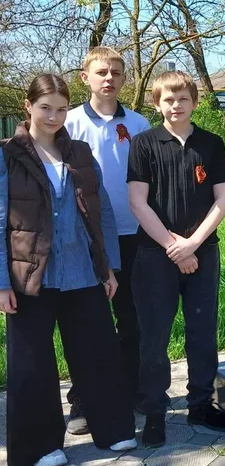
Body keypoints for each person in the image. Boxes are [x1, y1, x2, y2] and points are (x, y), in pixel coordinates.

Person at [0, 74, 137, 466]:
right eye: (45, 108)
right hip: (31, 276)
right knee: (32, 365)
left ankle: (112, 429)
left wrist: (109, 268)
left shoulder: (79, 152)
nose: (54, 117)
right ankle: (40, 446)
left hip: (83, 273)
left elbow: (103, 212)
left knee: (98, 353)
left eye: (61, 109)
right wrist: (2, 283)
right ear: (28, 107)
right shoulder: (7, 155)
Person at [127, 70, 225, 447]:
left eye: (183, 99)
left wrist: (193, 244)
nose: (176, 105)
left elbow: (223, 199)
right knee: (154, 335)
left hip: (203, 252)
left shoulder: (212, 144)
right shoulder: (143, 144)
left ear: (195, 102)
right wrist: (174, 247)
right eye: (168, 100)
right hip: (155, 255)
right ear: (157, 104)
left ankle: (201, 403)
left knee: (202, 331)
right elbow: (137, 202)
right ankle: (155, 410)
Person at [65, 46, 151, 433]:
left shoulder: (138, 123)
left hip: (133, 233)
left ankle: (131, 389)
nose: (109, 78)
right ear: (85, 77)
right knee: (86, 322)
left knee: (133, 319)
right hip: (87, 239)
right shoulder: (68, 123)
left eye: (116, 72)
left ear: (124, 78)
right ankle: (83, 399)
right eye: (101, 72)